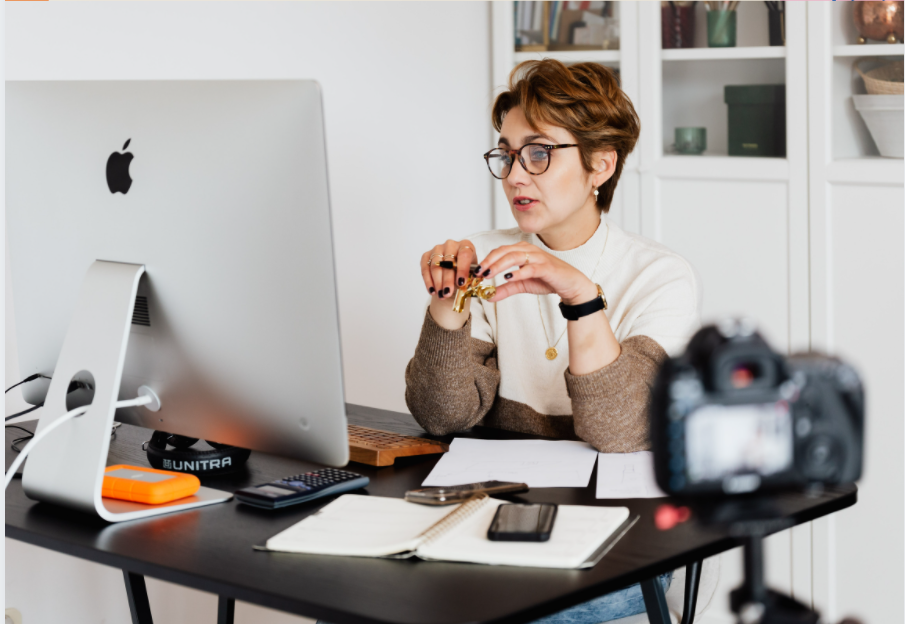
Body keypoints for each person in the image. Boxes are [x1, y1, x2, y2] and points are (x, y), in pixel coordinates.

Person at [405, 59, 702, 623]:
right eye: (507, 154)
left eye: (539, 153)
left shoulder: (660, 275)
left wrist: (579, 296)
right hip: (495, 518)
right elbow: (442, 415)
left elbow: (619, 432)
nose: (516, 175)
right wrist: (447, 306)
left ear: (600, 165)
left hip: (623, 537)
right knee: (351, 599)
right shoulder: (484, 256)